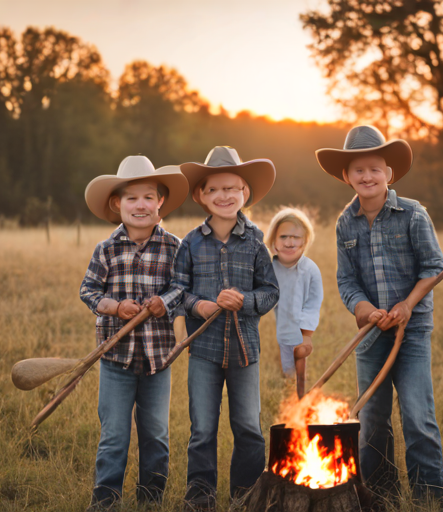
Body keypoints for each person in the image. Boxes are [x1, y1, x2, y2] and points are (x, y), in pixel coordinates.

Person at [315, 125, 443, 507]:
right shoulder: (345, 223)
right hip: (371, 335)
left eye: (375, 168)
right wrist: (365, 310)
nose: (367, 176)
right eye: (358, 170)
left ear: (388, 173)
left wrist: (407, 305)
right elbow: (346, 279)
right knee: (371, 418)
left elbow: (432, 267)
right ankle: (381, 493)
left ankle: (430, 497)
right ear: (346, 177)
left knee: (417, 415)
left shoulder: (412, 213)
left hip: (412, 330)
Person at [162, 146, 279, 512]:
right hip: (204, 351)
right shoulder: (191, 243)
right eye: (214, 189)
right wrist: (201, 305)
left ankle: (245, 495)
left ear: (245, 192)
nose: (224, 196)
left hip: (245, 351)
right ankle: (200, 496)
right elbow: (178, 292)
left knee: (247, 426)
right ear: (201, 196)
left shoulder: (257, 240)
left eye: (232, 188)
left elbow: (271, 291)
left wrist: (244, 300)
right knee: (203, 428)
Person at [80, 155, 189, 510]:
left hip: (158, 358)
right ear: (117, 204)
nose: (140, 205)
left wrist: (165, 302)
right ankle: (106, 500)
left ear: (160, 202)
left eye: (148, 197)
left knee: (155, 434)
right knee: (114, 435)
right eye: (131, 198)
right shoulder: (106, 249)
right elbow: (89, 291)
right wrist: (115, 306)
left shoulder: (175, 247)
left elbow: (182, 287)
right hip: (116, 358)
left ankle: (151, 499)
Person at [264, 207, 324, 377]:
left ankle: (298, 394)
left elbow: (313, 304)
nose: (289, 243)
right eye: (283, 237)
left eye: (296, 237)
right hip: (277, 334)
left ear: (304, 242)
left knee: (297, 375)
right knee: (281, 373)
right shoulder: (269, 270)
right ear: (273, 241)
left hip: (300, 335)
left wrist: (306, 334)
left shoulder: (310, 270)